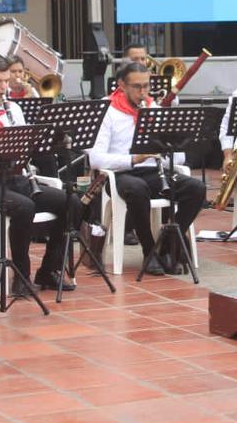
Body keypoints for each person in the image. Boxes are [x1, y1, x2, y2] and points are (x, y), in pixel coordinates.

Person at [0, 53, 74, 293]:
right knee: (25, 207)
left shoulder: (13, 109)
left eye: (6, 81)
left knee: (71, 202)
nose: (3, 87)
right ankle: (20, 275)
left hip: (16, 179)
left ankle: (49, 270)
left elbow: (25, 147)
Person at [88, 61, 206, 276]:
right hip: (120, 175)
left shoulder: (153, 109)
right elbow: (95, 159)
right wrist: (134, 159)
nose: (143, 93)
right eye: (137, 87)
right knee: (137, 188)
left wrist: (169, 149)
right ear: (121, 85)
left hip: (153, 173)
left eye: (146, 86)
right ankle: (149, 250)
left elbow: (180, 157)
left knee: (196, 189)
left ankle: (167, 244)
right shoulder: (106, 110)